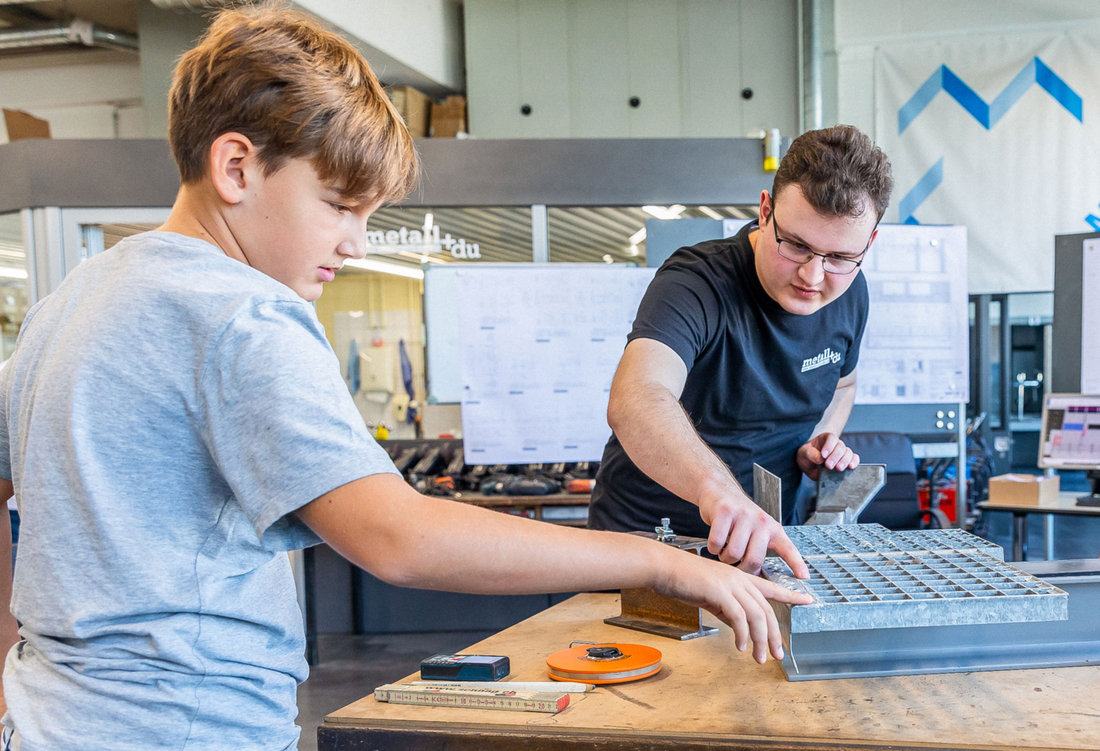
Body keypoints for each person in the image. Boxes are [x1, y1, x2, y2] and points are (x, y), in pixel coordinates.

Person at [0, 8, 810, 750]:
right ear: (237, 167)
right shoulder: (242, 315)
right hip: (186, 731)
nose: (354, 243)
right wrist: (663, 561)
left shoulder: (68, 300)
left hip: (44, 720)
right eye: (338, 205)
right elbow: (399, 537)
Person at [588, 125, 894, 575]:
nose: (813, 276)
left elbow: (844, 383)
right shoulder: (696, 282)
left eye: (839, 258)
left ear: (868, 244)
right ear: (766, 211)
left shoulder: (850, 293)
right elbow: (637, 398)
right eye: (796, 246)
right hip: (650, 544)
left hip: (763, 546)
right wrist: (720, 491)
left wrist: (817, 440)